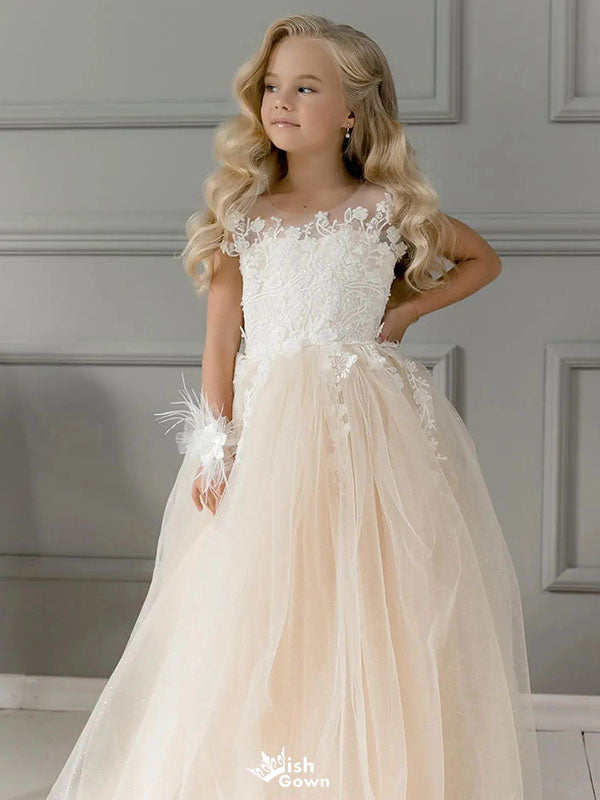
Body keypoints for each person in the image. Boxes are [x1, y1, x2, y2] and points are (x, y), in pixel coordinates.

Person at [46, 13, 544, 799]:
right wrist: (217, 442)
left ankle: (368, 764)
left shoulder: (385, 208)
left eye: (306, 88)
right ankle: (272, 766)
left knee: (374, 588)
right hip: (272, 428)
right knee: (262, 594)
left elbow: (482, 259)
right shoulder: (243, 217)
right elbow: (220, 342)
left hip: (368, 428)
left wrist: (405, 312)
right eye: (273, 87)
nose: (281, 102)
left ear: (352, 111)